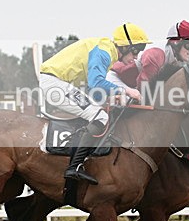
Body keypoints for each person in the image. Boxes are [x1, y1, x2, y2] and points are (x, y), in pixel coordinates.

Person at [38, 22, 151, 186]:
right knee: (100, 117)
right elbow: (96, 82)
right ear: (126, 46)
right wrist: (125, 91)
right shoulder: (104, 52)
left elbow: (94, 88)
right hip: (55, 84)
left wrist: (110, 97)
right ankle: (74, 166)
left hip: (59, 83)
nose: (136, 57)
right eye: (136, 50)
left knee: (99, 112)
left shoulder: (107, 51)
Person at [109, 20, 189, 91]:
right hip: (115, 78)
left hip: (131, 85)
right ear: (176, 42)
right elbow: (143, 84)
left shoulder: (174, 58)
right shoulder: (157, 55)